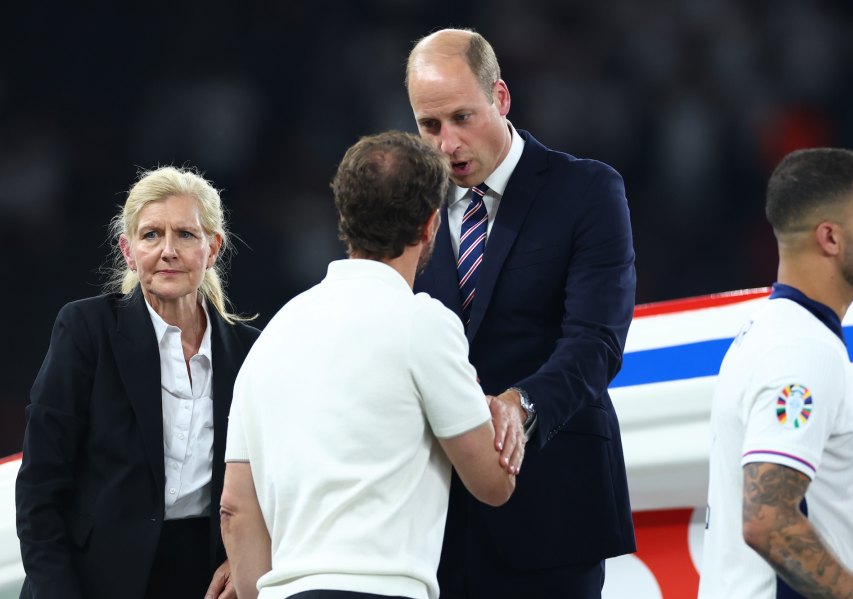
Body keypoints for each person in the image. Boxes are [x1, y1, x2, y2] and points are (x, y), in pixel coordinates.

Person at [220, 130, 524, 599]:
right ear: (430, 225)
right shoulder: (423, 323)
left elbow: (235, 509)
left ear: (344, 216)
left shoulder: (272, 336)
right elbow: (492, 483)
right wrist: (503, 415)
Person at [404, 28, 637, 597]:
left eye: (462, 118)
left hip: (553, 507)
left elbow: (597, 341)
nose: (447, 144)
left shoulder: (586, 190)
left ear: (501, 97)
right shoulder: (406, 209)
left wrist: (522, 404)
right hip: (433, 526)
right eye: (429, 125)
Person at [15, 166, 261, 599]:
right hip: (91, 581)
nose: (168, 250)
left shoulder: (248, 351)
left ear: (213, 248)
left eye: (185, 234)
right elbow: (40, 489)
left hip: (206, 581)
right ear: (128, 251)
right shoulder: (86, 329)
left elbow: (274, 481)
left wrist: (243, 559)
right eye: (151, 235)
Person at [698, 148, 853, 598]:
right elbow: (769, 521)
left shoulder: (768, 330)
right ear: (830, 237)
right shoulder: (803, 350)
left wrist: (841, 555)